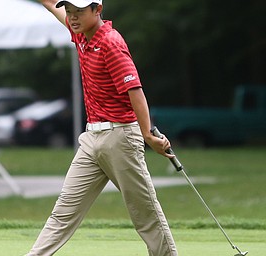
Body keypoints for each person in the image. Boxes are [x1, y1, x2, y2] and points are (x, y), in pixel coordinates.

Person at [25, 0, 178, 255]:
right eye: (70, 12)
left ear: (97, 10)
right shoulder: (80, 33)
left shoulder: (111, 42)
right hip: (91, 139)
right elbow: (53, 5)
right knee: (64, 210)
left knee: (145, 213)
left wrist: (148, 135)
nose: (72, 17)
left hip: (121, 138)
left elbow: (135, 91)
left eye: (79, 12)